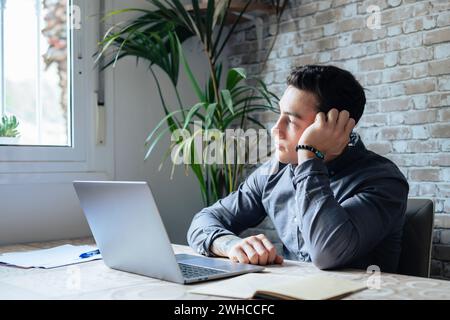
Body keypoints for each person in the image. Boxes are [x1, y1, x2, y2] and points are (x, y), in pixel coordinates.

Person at [187, 65, 409, 273]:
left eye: (291, 121)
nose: (276, 129)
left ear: (334, 127)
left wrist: (309, 155)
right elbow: (204, 220)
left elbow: (326, 253)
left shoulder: (383, 181)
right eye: (279, 114)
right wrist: (230, 244)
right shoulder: (274, 172)